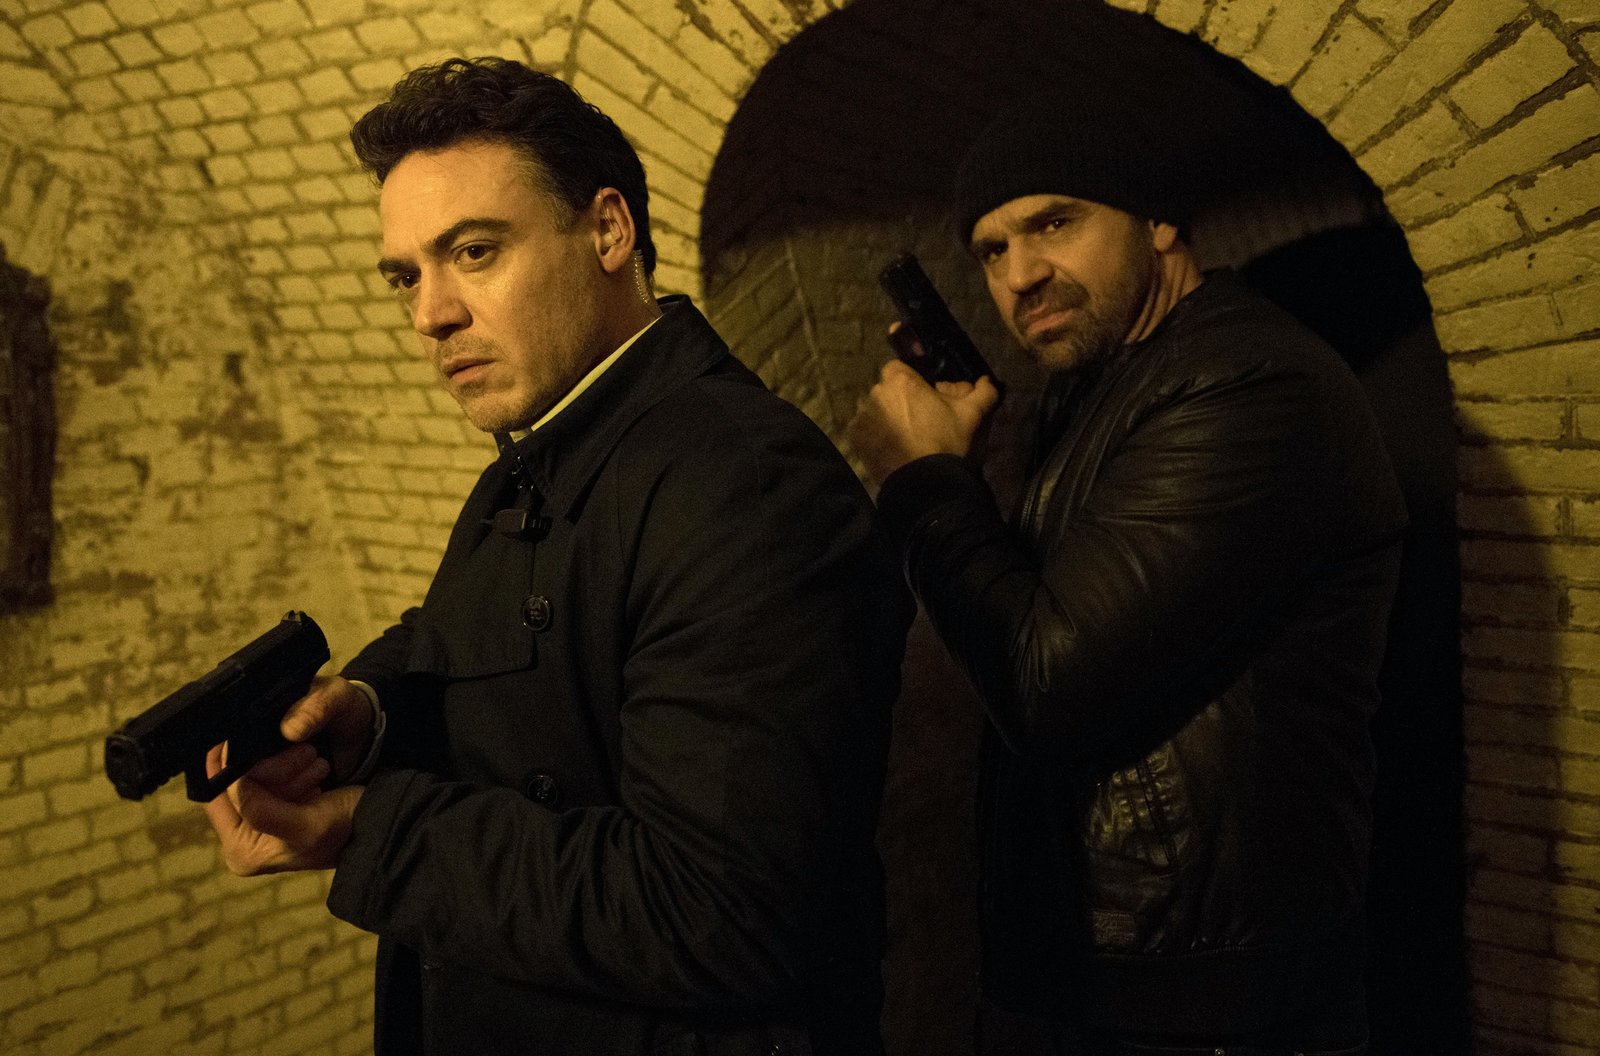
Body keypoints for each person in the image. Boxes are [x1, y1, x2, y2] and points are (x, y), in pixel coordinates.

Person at [202, 57, 910, 1056]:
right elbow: (506, 639)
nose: (430, 314)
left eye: (474, 252)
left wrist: (368, 829)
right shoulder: (545, 447)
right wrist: (369, 712)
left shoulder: (746, 483)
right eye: (406, 276)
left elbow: (720, 912)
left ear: (608, 231)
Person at [848, 95, 1406, 1056]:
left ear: (1158, 222)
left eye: (1054, 223)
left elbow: (1049, 682)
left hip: (1205, 1004)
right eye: (991, 250)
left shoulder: (1245, 383)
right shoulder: (1101, 388)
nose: (1020, 275)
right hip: (1107, 977)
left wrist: (924, 484)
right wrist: (968, 468)